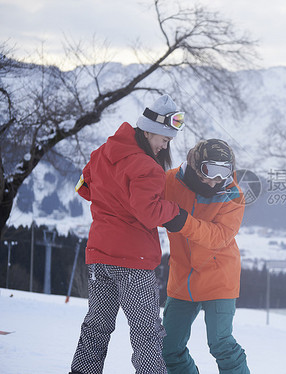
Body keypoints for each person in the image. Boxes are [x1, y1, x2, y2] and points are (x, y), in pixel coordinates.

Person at [70, 94, 188, 374]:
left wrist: (111, 201)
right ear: (148, 131)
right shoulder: (147, 167)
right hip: (133, 263)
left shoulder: (102, 152)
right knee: (146, 333)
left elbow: (83, 187)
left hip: (100, 257)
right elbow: (149, 212)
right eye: (164, 139)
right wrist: (176, 212)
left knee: (96, 326)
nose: (164, 146)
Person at [161, 139, 250, 374]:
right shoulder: (170, 181)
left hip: (219, 277)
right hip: (182, 276)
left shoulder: (232, 195)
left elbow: (219, 236)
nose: (215, 181)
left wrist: (183, 221)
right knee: (168, 347)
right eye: (209, 172)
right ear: (195, 164)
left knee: (221, 345)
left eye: (224, 173)